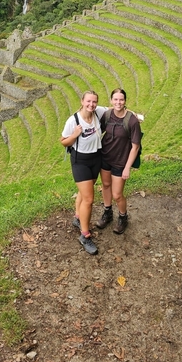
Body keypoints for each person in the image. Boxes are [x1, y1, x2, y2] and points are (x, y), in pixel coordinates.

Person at [60, 90, 106, 255]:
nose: (91, 105)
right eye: (88, 102)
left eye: (94, 102)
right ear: (82, 101)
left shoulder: (98, 112)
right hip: (80, 161)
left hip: (96, 158)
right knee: (89, 198)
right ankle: (85, 236)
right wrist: (75, 134)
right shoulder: (73, 120)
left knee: (83, 192)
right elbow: (63, 142)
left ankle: (78, 218)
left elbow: (115, 109)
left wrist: (134, 115)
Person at [97, 88, 142, 235]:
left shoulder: (132, 120)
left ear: (125, 101)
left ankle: (123, 216)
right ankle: (107, 212)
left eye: (121, 99)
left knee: (117, 194)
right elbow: (98, 129)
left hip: (120, 161)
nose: (118, 102)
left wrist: (127, 167)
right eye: (115, 99)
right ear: (111, 101)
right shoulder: (107, 115)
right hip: (105, 157)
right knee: (105, 185)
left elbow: (135, 147)